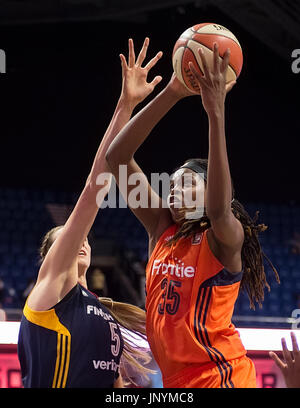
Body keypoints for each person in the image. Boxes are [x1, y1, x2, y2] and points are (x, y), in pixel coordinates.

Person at [106, 43, 280, 388]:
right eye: (171, 184)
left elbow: (218, 207)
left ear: (211, 190)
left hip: (221, 376)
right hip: (176, 381)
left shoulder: (224, 238)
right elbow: (117, 157)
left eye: (186, 183)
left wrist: (215, 113)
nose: (173, 190)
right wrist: (172, 91)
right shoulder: (162, 229)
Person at [17, 37, 162, 388]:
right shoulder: (51, 290)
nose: (78, 239)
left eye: (81, 238)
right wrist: (125, 105)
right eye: (64, 239)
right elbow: (94, 188)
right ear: (48, 258)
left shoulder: (102, 313)